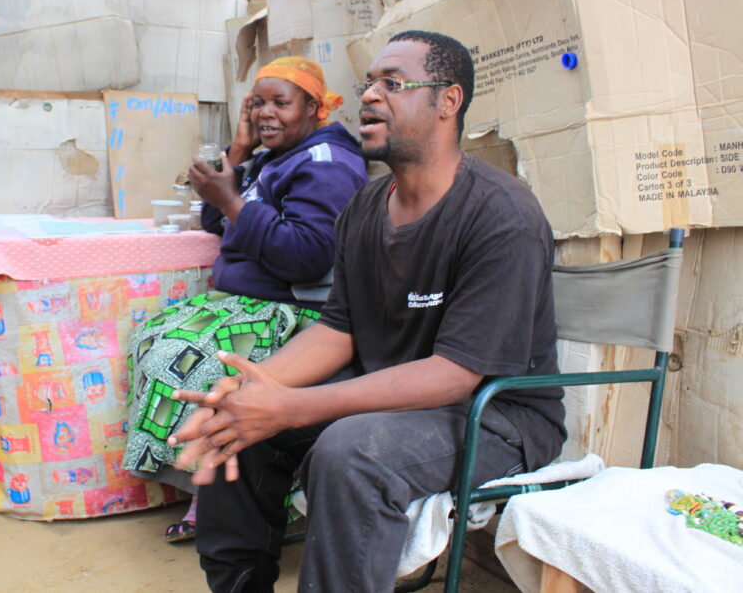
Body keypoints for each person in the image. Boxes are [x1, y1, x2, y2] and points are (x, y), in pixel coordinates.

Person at [169, 30, 567, 592]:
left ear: (448, 101)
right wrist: (253, 393)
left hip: (495, 416)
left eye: (394, 84)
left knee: (349, 454)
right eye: (369, 84)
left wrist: (292, 407)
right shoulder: (364, 207)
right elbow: (339, 330)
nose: (370, 97)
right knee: (239, 418)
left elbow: (456, 373)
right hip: (390, 393)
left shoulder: (502, 214)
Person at [121, 56, 368, 543]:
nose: (266, 113)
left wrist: (232, 200)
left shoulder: (328, 164)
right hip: (246, 300)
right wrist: (239, 151)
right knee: (149, 338)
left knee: (182, 357)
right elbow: (218, 222)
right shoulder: (273, 157)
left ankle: (219, 500)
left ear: (315, 108)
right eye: (258, 103)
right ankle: (201, 486)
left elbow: (309, 257)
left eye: (282, 102)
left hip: (295, 310)